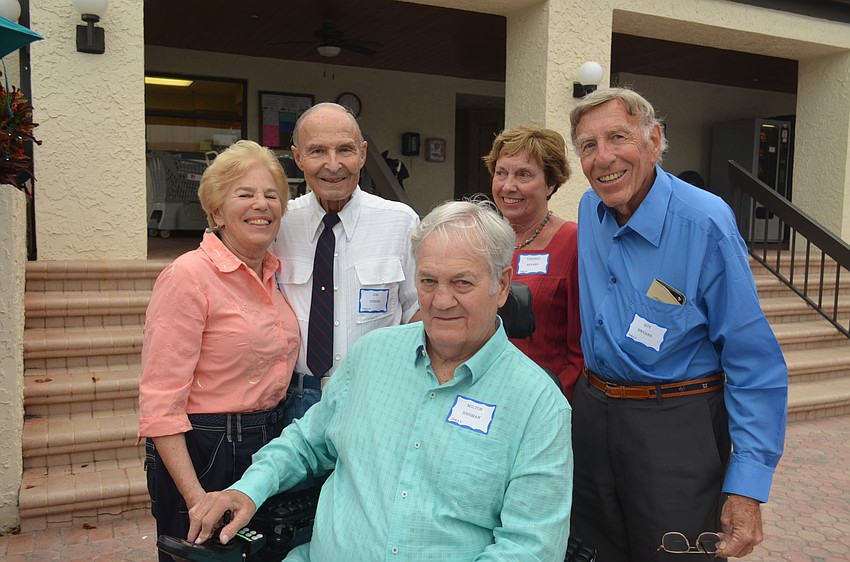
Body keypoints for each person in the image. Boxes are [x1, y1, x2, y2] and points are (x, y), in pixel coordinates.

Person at [187, 199, 573, 562]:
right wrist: (247, 489)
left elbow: (530, 547)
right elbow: (306, 442)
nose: (441, 301)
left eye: (462, 283)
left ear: (502, 285)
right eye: (428, 281)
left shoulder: (538, 405)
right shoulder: (372, 355)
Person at [569, 87, 787, 561]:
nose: (603, 158)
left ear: (653, 140)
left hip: (675, 428)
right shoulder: (589, 209)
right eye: (588, 145)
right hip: (593, 416)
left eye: (617, 137)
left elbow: (753, 361)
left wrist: (747, 487)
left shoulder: (705, 222)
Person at [138, 140, 301, 562]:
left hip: (267, 442)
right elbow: (160, 402)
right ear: (216, 212)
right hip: (206, 450)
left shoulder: (274, 273)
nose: (261, 204)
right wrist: (195, 497)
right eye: (244, 194)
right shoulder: (188, 276)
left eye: (271, 195)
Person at [272, 102, 420, 421]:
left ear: (362, 154)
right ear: (298, 157)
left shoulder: (400, 222)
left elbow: (417, 311)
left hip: (376, 395)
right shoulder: (280, 224)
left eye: (345, 150)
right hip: (295, 400)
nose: (333, 164)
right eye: (317, 151)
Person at [483, 125, 583, 400]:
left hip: (543, 395)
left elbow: (581, 350)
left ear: (550, 184)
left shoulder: (573, 243)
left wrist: (552, 399)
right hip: (481, 393)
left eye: (523, 174)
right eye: (501, 173)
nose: (508, 186)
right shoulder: (481, 240)